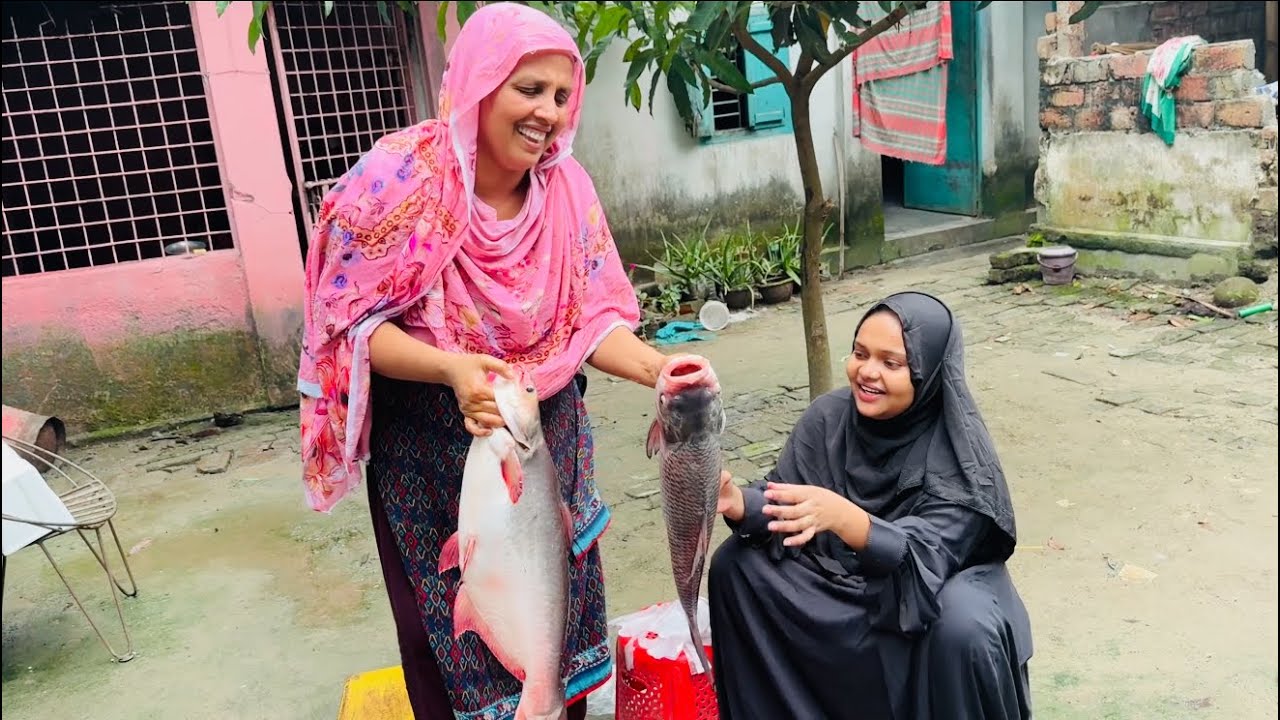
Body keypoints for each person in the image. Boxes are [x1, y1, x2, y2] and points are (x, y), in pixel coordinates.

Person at [295, 4, 672, 718]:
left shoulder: (568, 192)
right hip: (432, 463)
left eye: (562, 96)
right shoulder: (403, 180)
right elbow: (345, 326)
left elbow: (591, 319)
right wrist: (452, 369)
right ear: (480, 81)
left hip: (543, 447)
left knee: (551, 644)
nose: (548, 114)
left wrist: (662, 372)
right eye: (529, 89)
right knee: (454, 644)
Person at [708, 291, 1034, 720]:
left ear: (927, 372)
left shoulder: (960, 453)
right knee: (737, 567)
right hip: (844, 585)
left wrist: (849, 520)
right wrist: (739, 502)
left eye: (891, 363)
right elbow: (788, 497)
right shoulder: (828, 417)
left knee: (962, 627)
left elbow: (927, 556)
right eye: (860, 353)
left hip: (932, 593)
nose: (867, 372)